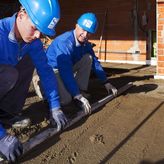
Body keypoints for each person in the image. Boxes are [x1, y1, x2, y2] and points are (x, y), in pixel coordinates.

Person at [0, 0, 68, 162]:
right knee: (9, 73)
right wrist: (1, 137)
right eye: (35, 28)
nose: (38, 35)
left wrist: (55, 106)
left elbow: (45, 71)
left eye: (42, 31)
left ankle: (6, 112)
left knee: (29, 62)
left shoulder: (32, 41)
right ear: (22, 15)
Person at [33, 12, 118, 116]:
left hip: (65, 68)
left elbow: (95, 62)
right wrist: (76, 95)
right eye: (83, 30)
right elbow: (66, 71)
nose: (85, 35)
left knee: (88, 58)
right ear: (76, 26)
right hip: (51, 70)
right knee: (66, 100)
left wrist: (106, 82)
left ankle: (80, 90)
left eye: (89, 32)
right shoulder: (65, 42)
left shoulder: (85, 43)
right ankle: (40, 84)